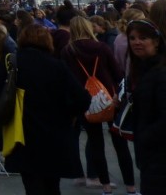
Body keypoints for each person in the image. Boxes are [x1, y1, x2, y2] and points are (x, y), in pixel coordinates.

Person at [0, 24, 90, 194]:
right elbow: (83, 98)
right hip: (54, 133)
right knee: (53, 185)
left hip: (23, 133)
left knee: (32, 184)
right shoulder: (57, 66)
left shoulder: (12, 62)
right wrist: (70, 114)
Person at [62, 16, 128, 195]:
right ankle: (131, 187)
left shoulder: (68, 51)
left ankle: (104, 185)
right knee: (119, 141)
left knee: (95, 142)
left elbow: (65, 78)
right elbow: (118, 73)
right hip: (108, 97)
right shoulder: (101, 47)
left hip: (83, 99)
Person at [127, 18, 166, 195]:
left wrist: (145, 136)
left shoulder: (160, 72)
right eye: (133, 38)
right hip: (150, 154)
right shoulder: (142, 69)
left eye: (143, 38)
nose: (137, 42)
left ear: (156, 42)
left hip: (159, 153)